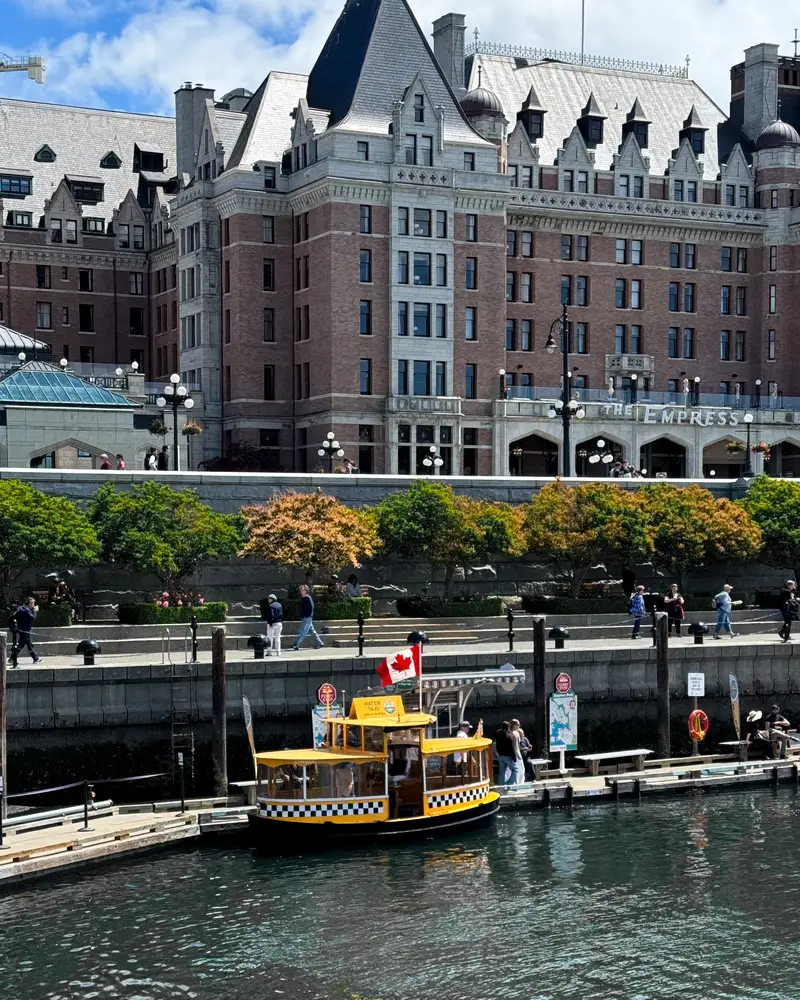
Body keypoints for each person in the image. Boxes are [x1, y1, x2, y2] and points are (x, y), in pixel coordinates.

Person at [290, 584, 324, 650]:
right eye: (301, 590)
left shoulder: (308, 598)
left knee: (303, 631)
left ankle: (296, 644)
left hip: (307, 617)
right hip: (305, 617)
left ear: (306, 591)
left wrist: (309, 616)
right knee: (312, 631)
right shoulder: (303, 598)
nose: (301, 591)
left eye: (303, 590)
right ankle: (320, 643)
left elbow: (312, 607)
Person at [12, 597, 40, 664]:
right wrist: (35, 611)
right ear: (29, 603)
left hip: (24, 629)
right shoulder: (24, 611)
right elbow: (32, 617)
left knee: (22, 644)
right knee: (27, 644)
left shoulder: (22, 609)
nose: (33, 605)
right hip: (25, 630)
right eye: (33, 603)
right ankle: (35, 658)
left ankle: (12, 658)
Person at [494, 722, 516, 786]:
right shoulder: (508, 736)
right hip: (508, 756)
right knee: (515, 769)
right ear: (508, 727)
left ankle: (501, 785)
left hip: (500, 755)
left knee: (502, 772)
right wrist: (514, 758)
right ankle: (509, 783)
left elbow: (496, 745)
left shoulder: (498, 735)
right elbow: (511, 748)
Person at [509, 719, 525, 785]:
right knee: (521, 769)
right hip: (516, 754)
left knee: (510, 770)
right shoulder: (515, 733)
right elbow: (515, 746)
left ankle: (513, 783)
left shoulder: (508, 732)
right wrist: (518, 755)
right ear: (514, 725)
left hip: (509, 754)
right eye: (518, 724)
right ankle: (519, 783)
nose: (519, 726)